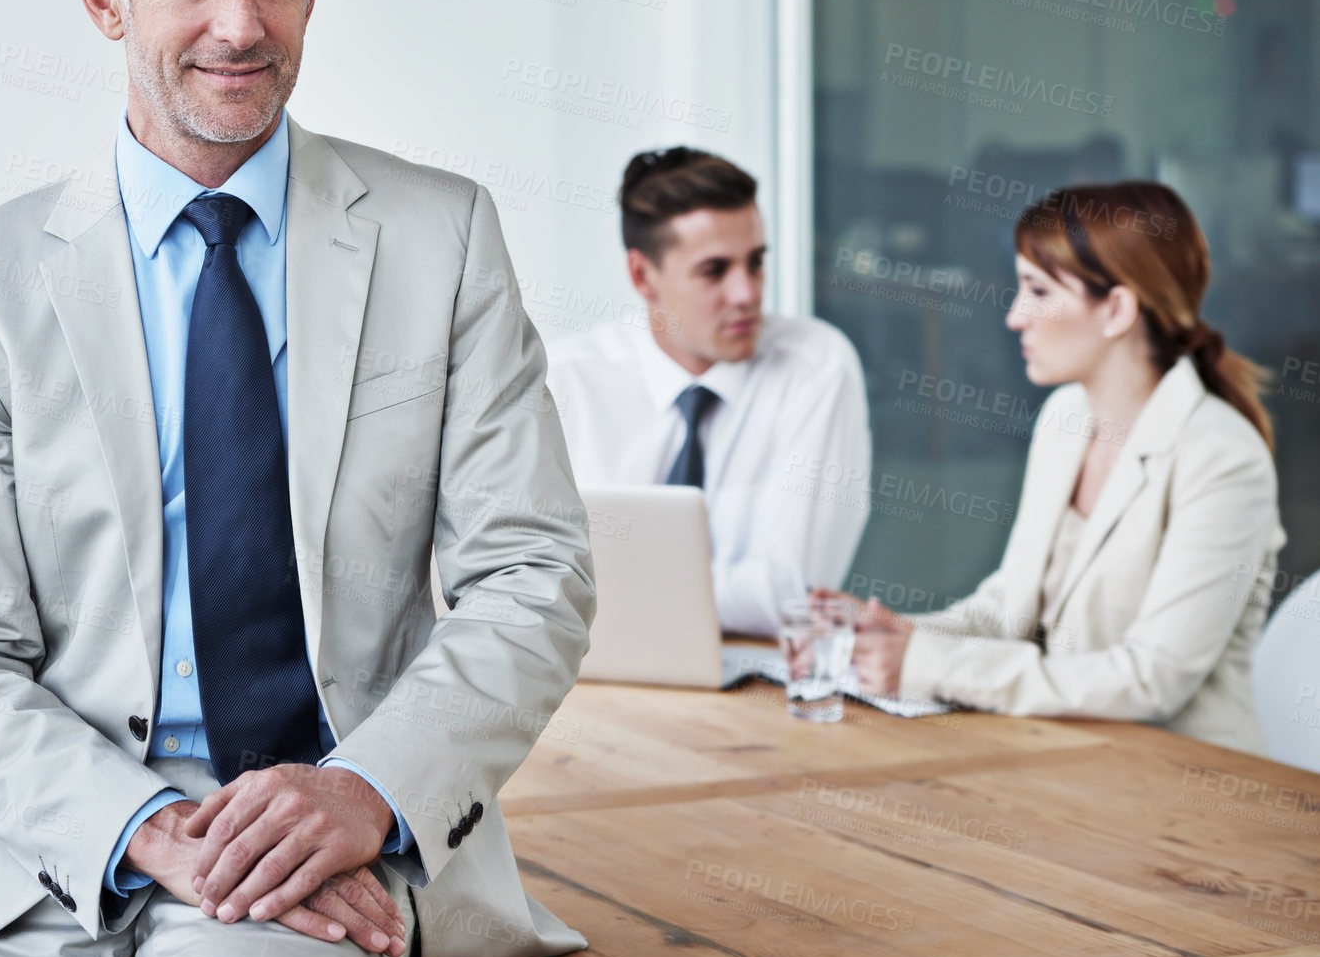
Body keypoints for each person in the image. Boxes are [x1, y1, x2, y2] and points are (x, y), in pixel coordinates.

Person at [0, 0, 595, 957]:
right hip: (48, 837)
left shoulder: (440, 238)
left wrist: (364, 789)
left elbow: (533, 571)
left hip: (323, 832)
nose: (240, 24)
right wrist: (141, 825)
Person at [848, 181, 1283, 756]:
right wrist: (899, 634)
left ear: (1118, 310)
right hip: (1057, 754)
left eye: (1037, 290)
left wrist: (930, 665)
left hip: (1178, 786)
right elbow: (1009, 608)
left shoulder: (1223, 459)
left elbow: (1151, 678)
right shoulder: (1065, 419)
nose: (1014, 317)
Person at [546, 147, 871, 637]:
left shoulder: (815, 366)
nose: (747, 293)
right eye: (714, 270)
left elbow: (790, 593)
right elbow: (533, 578)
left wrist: (611, 593)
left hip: (755, 680)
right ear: (642, 275)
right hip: (597, 678)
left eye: (756, 262)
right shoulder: (567, 379)